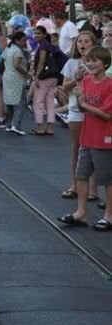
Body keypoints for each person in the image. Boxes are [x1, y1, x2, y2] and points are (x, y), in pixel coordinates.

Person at [58, 47, 112, 230]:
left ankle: (109, 216)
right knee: (81, 175)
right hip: (87, 137)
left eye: (95, 60)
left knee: (107, 179)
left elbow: (106, 115)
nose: (90, 64)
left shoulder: (110, 85)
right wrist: (80, 101)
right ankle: (80, 212)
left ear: (105, 64)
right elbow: (82, 109)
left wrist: (82, 103)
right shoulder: (86, 81)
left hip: (104, 139)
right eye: (88, 60)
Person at [60, 32, 99, 200]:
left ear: (93, 44)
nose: (82, 44)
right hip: (76, 110)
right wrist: (77, 78)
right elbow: (64, 88)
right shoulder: (71, 63)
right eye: (80, 42)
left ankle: (93, 189)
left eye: (86, 41)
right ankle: (75, 184)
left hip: (94, 111)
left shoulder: (99, 64)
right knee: (77, 148)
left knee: (95, 150)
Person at [30, 24, 60, 136]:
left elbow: (42, 61)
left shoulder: (43, 46)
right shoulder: (50, 45)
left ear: (44, 34)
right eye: (35, 33)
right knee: (50, 102)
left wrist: (37, 76)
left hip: (44, 77)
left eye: (39, 33)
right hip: (53, 76)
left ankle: (39, 127)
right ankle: (50, 127)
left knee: (38, 102)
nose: (36, 35)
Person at [1, 30, 30, 135]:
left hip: (7, 76)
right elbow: (17, 65)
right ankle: (16, 125)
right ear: (17, 40)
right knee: (21, 102)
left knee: (9, 102)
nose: (25, 42)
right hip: (16, 78)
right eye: (23, 40)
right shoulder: (18, 51)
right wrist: (27, 73)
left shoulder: (8, 49)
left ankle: (9, 124)